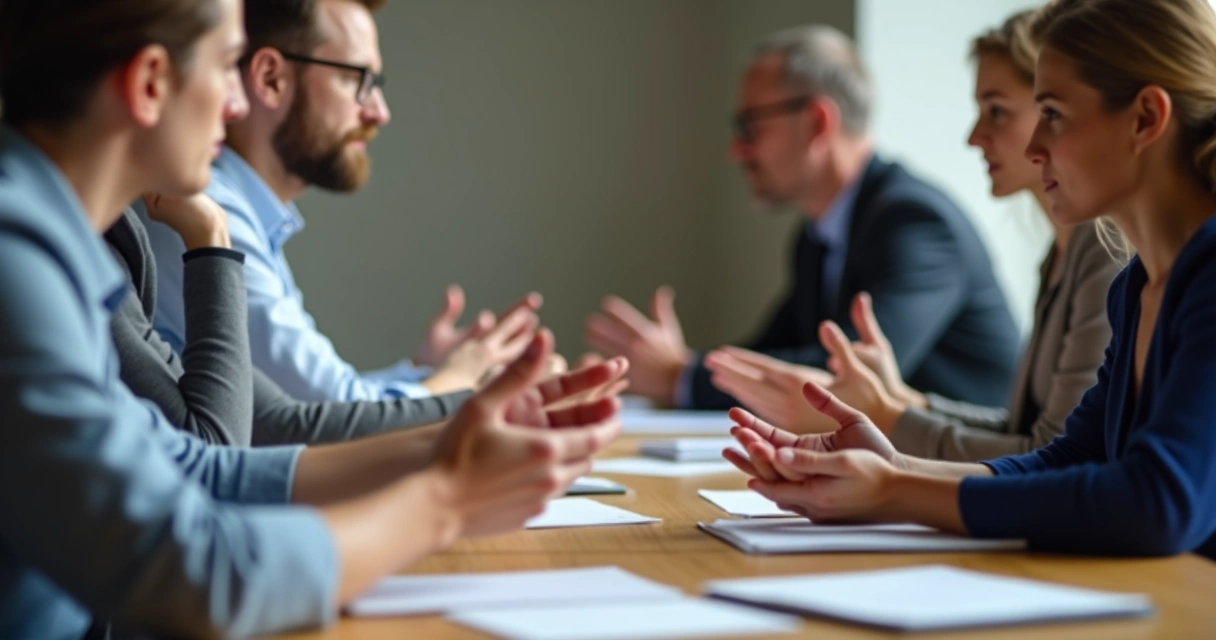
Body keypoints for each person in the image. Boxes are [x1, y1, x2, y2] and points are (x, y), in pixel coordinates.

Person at [0, 1, 624, 637]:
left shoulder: (60, 244)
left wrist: (451, 441)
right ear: (151, 83)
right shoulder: (15, 255)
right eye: (224, 67)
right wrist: (446, 500)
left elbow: (190, 466)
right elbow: (185, 572)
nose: (238, 104)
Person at [724, 0, 1216, 560]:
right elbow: (1071, 458)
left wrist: (893, 491)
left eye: (1051, 113)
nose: (1035, 147)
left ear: (1146, 118)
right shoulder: (1136, 286)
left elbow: (1158, 504)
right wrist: (891, 465)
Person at [706, 10, 1121, 462]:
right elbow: (1021, 429)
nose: (973, 137)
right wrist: (895, 405)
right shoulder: (1061, 250)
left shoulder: (919, 220)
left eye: (999, 112)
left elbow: (1054, 458)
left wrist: (887, 423)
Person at [586, 25, 1020, 411]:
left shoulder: (915, 223)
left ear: (816, 123)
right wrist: (653, 368)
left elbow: (849, 373)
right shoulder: (817, 235)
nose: (736, 150)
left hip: (973, 480)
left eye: (750, 127)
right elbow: (777, 350)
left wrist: (682, 374)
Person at [140, 0, 535, 403]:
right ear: (271, 78)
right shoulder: (204, 210)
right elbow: (331, 418)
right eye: (357, 80)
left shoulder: (251, 217)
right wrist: (464, 378)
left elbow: (315, 410)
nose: (379, 113)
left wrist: (428, 372)